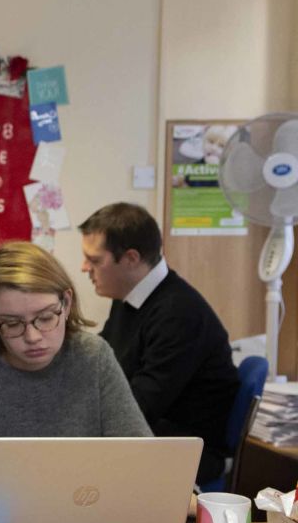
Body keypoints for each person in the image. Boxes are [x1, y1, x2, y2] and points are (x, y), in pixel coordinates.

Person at [0, 241, 150, 521]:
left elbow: (138, 468)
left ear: (65, 304)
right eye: (12, 324)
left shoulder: (94, 357)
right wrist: (33, 522)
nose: (33, 337)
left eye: (45, 318)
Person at [79, 202, 240, 484]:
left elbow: (138, 407)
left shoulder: (179, 314)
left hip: (183, 449)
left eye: (94, 260)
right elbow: (101, 363)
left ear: (130, 259)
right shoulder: (129, 296)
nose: (84, 268)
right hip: (150, 436)